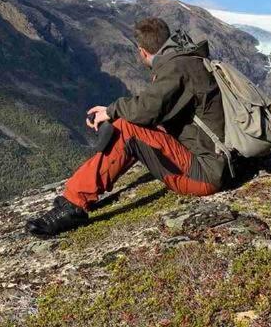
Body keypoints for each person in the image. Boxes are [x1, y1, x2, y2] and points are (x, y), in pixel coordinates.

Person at [26, 17, 226, 237]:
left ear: (142, 51)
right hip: (220, 162)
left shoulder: (175, 68)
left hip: (205, 175)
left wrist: (111, 112)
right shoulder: (189, 60)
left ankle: (74, 202)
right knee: (132, 124)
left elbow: (146, 109)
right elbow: (155, 107)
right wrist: (112, 111)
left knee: (126, 127)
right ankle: (81, 194)